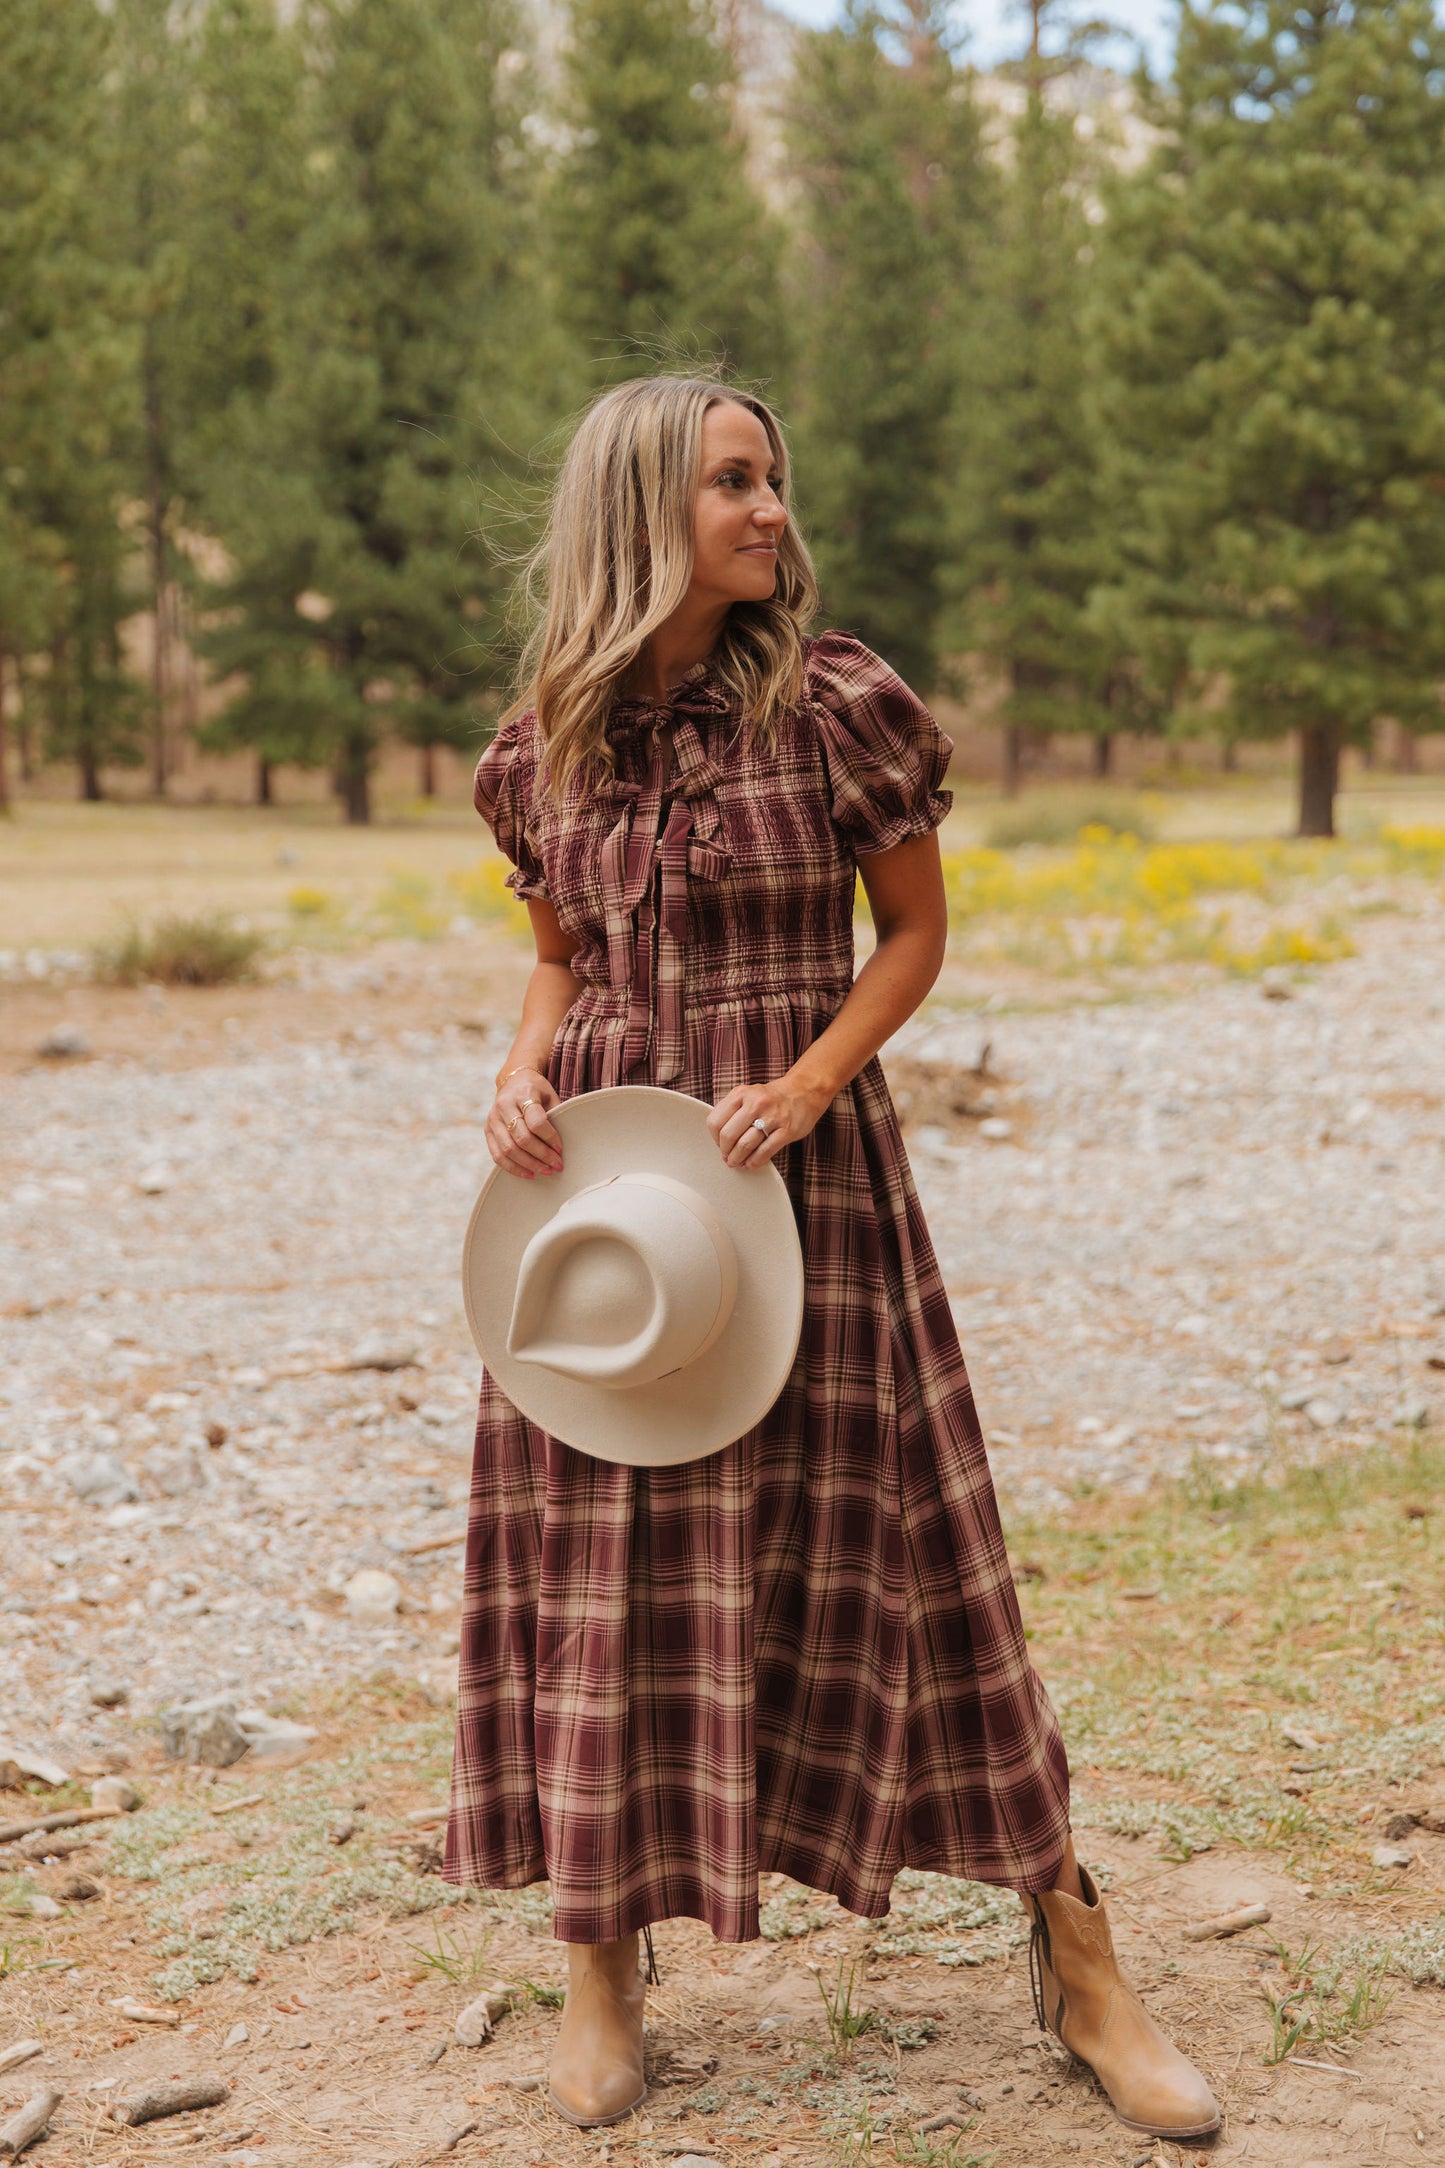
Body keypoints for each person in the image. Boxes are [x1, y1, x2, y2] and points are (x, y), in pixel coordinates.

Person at [441, 373, 1220, 2143]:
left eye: (772, 480)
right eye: (731, 482)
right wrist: (510, 1070)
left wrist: (802, 1087)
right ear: (643, 506)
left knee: (920, 1563)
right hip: (608, 1202)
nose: (770, 509)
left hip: (806, 1180)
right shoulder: (541, 742)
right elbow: (559, 965)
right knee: (606, 1580)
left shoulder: (837, 702)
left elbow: (917, 929)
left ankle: (1077, 1952)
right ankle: (598, 1956)